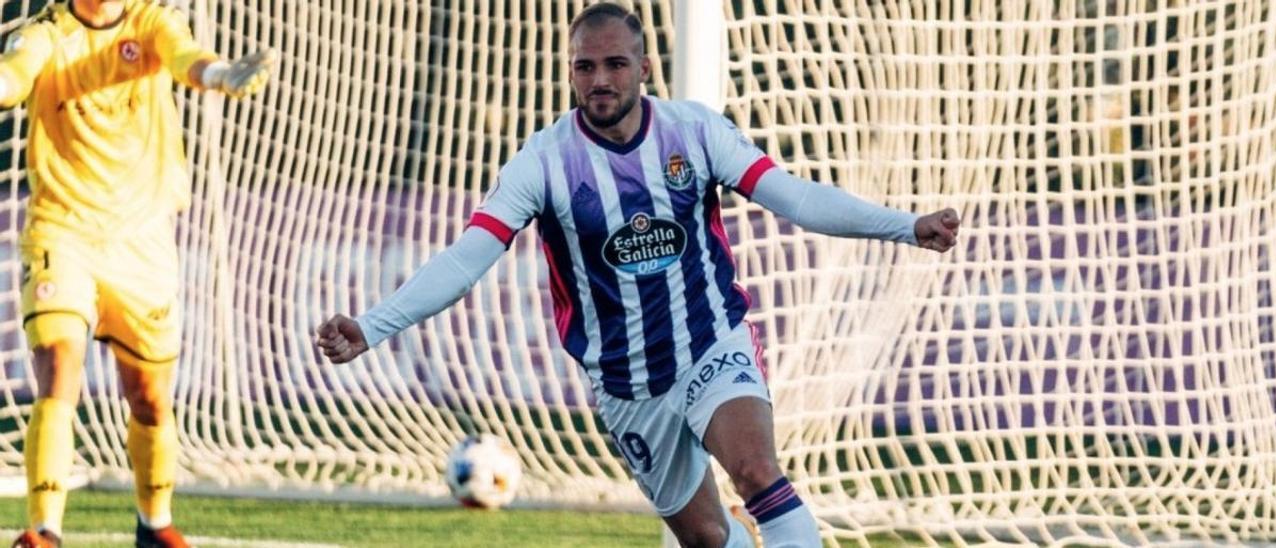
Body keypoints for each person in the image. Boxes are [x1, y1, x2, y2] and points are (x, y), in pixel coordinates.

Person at [316, 3, 958, 547]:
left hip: (711, 341)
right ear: (570, 72)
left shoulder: (694, 132)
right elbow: (465, 259)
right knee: (706, 537)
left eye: (615, 64)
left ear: (643, 68)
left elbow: (790, 196)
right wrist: (373, 326)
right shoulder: (543, 163)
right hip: (626, 382)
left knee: (757, 470)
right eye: (585, 66)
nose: (600, 80)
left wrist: (904, 224)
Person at [1, 1, 275, 547]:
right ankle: (44, 531)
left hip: (141, 241)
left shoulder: (151, 22)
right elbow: (13, 77)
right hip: (63, 231)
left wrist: (221, 75)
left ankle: (154, 524)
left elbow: (188, 60)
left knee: (148, 396)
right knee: (59, 366)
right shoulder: (47, 34)